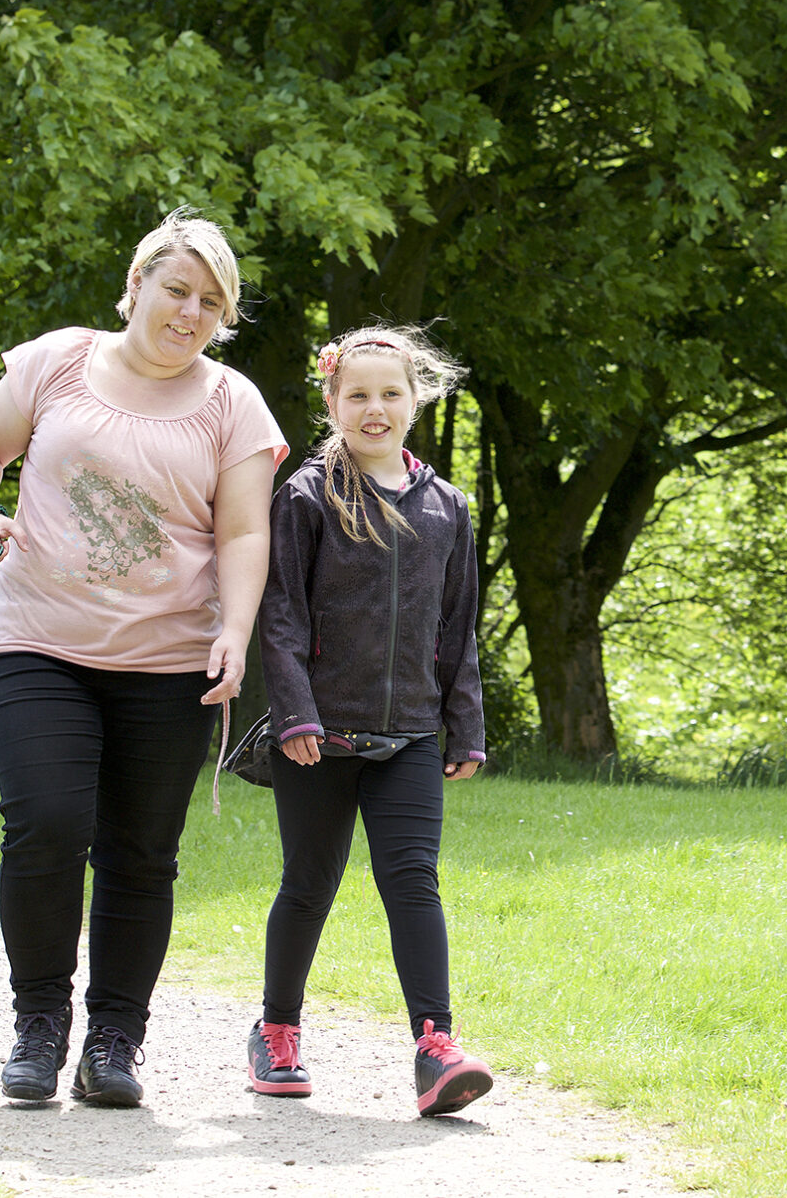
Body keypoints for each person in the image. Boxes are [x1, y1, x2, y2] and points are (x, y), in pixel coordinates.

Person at [0, 210, 285, 1108]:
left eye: (211, 302)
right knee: (48, 825)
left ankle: (114, 1042)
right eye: (177, 289)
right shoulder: (56, 361)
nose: (189, 312)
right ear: (136, 285)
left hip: (169, 660)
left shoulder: (233, 404)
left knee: (141, 853)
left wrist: (236, 629)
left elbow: (244, 531)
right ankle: (38, 1025)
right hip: (37, 642)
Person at [247, 323, 493, 1117]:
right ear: (331, 402)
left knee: (413, 880)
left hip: (411, 735)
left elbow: (457, 627)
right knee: (309, 884)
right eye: (357, 395)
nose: (374, 408)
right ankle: (276, 1031)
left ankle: (437, 1048)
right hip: (318, 738)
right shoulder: (307, 496)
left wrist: (466, 724)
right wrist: (294, 714)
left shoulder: (447, 507)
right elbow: (280, 614)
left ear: (416, 400)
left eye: (390, 393)